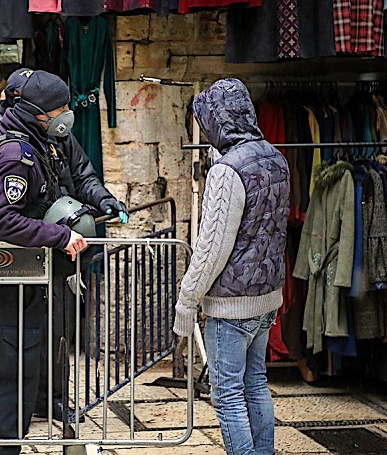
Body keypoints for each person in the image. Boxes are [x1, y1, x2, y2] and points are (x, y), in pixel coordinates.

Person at [0, 70, 106, 455]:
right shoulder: (17, 154)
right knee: (16, 368)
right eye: (59, 109)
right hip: (8, 273)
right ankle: (0, 449)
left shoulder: (37, 138)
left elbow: (76, 175)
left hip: (14, 272)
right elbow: (0, 218)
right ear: (36, 111)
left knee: (2, 360)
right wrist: (60, 236)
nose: (66, 115)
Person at [173, 78, 290, 455]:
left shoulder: (227, 170)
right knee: (255, 383)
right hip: (267, 297)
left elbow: (212, 248)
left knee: (228, 395)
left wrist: (187, 300)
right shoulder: (275, 157)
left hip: (232, 305)